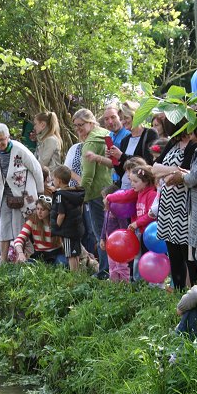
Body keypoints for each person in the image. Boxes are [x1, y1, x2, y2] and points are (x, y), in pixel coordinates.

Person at [0, 122, 44, 264]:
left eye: (2, 139)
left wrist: (41, 192)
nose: (0, 143)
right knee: (4, 226)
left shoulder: (19, 149)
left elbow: (36, 169)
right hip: (4, 194)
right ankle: (4, 259)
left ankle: (20, 259)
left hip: (23, 194)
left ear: (8, 137)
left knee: (19, 226)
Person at [153, 119, 197, 289]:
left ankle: (193, 290)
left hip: (184, 205)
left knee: (188, 254)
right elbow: (155, 168)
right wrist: (172, 170)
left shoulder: (194, 145)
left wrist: (169, 172)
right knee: (174, 254)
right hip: (168, 205)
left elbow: (183, 172)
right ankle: (178, 290)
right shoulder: (173, 142)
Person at [72, 108, 111, 278]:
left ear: (90, 122)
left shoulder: (90, 143)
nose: (78, 129)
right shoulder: (106, 134)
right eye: (75, 126)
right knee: (110, 230)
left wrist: (82, 195)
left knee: (100, 234)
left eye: (81, 125)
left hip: (95, 193)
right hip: (110, 189)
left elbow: (87, 175)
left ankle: (104, 271)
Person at [109, 100, 158, 189]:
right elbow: (122, 172)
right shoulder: (125, 140)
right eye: (121, 119)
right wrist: (114, 158)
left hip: (143, 190)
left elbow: (148, 163)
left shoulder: (150, 134)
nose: (123, 122)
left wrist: (122, 156)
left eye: (126, 118)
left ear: (135, 116)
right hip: (126, 189)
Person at [50, 165, 85, 271]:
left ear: (59, 181)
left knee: (70, 254)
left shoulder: (60, 195)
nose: (53, 181)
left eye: (54, 179)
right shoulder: (75, 193)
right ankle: (78, 274)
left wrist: (56, 226)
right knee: (76, 253)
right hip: (76, 227)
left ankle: (73, 276)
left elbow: (61, 214)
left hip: (67, 230)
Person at [14, 195, 66, 265]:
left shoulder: (57, 221)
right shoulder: (32, 221)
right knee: (28, 266)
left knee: (63, 263)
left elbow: (68, 238)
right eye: (37, 209)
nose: (39, 212)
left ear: (49, 211)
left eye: (43, 209)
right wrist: (20, 253)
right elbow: (19, 239)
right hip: (39, 254)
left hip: (56, 253)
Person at [101, 103, 131, 186]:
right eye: (106, 119)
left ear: (120, 118)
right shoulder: (109, 136)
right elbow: (112, 163)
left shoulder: (128, 134)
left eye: (113, 117)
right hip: (114, 180)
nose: (110, 122)